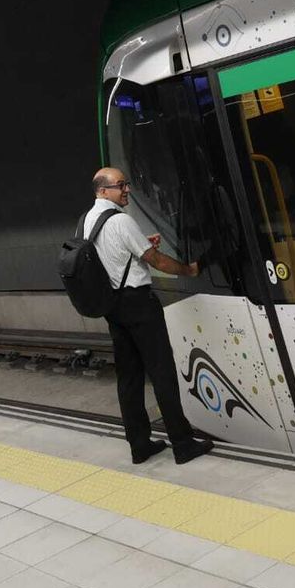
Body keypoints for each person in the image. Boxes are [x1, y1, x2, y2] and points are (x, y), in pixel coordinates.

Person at [86, 167, 214, 465]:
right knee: (162, 372)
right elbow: (155, 261)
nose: (127, 189)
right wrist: (188, 270)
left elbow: (111, 256)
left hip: (113, 307)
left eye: (126, 184)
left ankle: (139, 446)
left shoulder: (87, 221)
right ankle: (182, 444)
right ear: (103, 190)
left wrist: (142, 243)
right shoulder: (120, 220)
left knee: (128, 378)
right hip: (138, 305)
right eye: (121, 185)